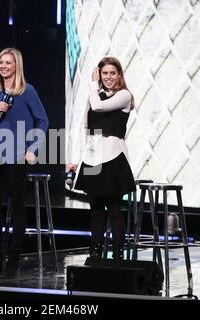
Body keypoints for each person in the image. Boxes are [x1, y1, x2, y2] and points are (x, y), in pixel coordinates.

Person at [0, 48, 49, 276]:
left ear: (16, 65)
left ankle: (13, 259)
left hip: (16, 156)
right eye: (1, 62)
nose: (3, 66)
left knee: (17, 207)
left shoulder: (27, 91)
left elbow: (43, 121)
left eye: (8, 63)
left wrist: (33, 148)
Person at [67, 57, 136, 260]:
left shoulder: (124, 95)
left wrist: (92, 84)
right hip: (92, 157)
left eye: (112, 73)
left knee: (114, 209)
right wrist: (77, 158)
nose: (108, 77)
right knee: (95, 209)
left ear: (119, 75)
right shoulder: (94, 96)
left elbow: (98, 107)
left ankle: (118, 254)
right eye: (104, 73)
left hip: (112, 156)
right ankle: (95, 253)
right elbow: (84, 127)